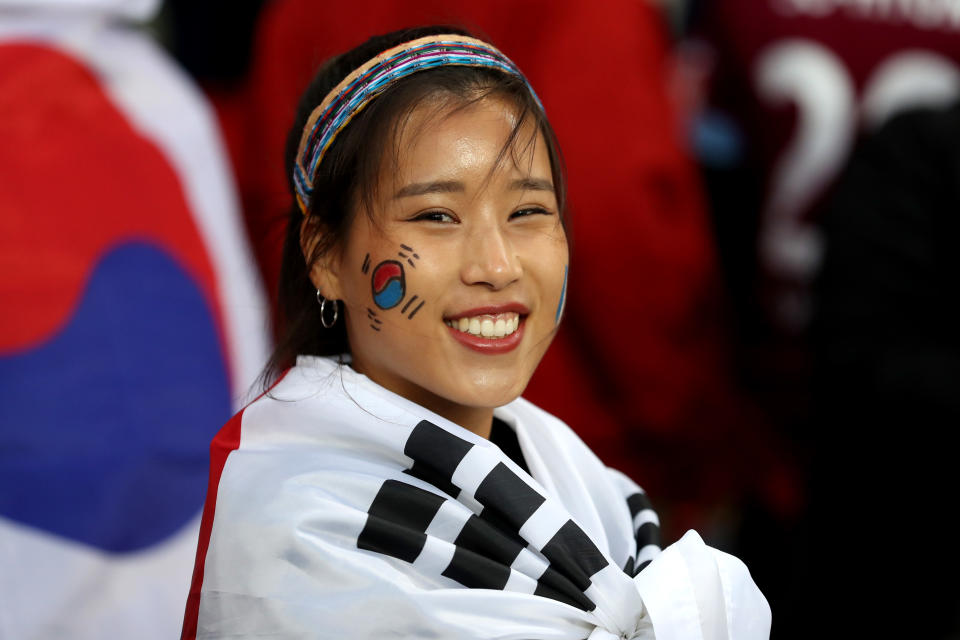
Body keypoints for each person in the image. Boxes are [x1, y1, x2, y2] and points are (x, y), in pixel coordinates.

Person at [181, 26, 770, 640]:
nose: (496, 266)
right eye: (436, 216)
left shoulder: (593, 489)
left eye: (528, 212)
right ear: (327, 256)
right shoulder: (301, 535)